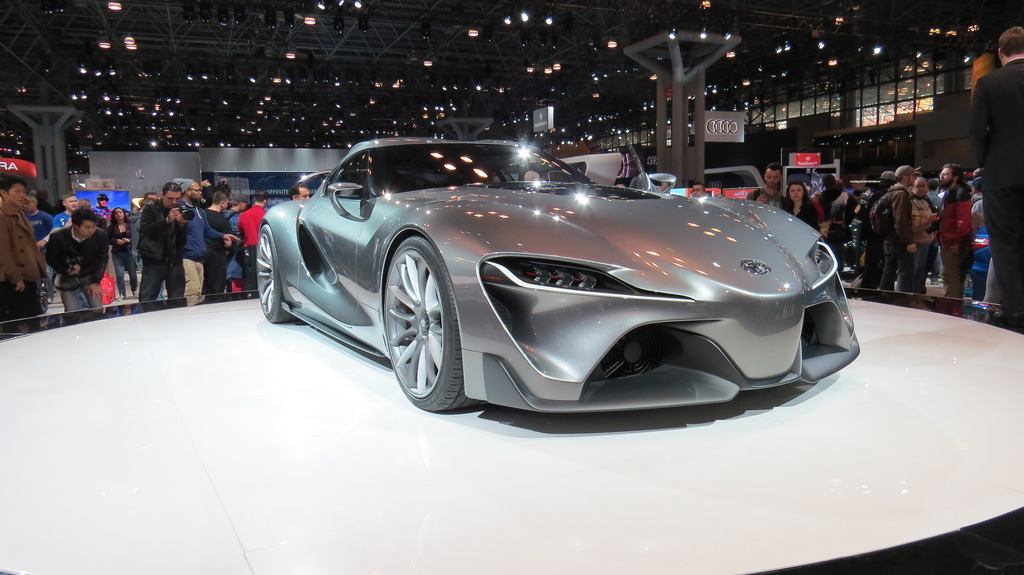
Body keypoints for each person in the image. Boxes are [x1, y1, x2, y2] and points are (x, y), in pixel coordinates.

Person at [969, 26, 1024, 326]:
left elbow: (977, 132)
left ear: (1001, 53)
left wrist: (986, 163)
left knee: (1004, 243)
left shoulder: (988, 82)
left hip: (1002, 175)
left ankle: (1016, 311)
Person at [178, 180, 238, 306]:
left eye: (201, 190)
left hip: (200, 258)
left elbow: (207, 230)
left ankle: (194, 315)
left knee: (199, 293)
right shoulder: (179, 208)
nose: (201, 193)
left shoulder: (199, 210)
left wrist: (223, 235)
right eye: (197, 190)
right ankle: (187, 315)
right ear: (187, 191)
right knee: (192, 291)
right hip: (186, 257)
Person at [0, 174, 47, 321]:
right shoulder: (2, 216)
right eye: (17, 191)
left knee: (30, 320)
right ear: (4, 193)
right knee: (17, 323)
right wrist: (15, 276)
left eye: (24, 192)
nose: (22, 195)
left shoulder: (19, 213)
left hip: (28, 276)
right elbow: (3, 251)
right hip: (12, 280)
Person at [45, 208, 109, 311]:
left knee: (97, 308)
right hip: (67, 278)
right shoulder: (58, 237)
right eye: (87, 227)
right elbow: (51, 258)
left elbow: (103, 259)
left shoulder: (100, 235)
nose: (91, 230)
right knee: (72, 311)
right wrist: (66, 269)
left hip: (90, 276)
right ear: (75, 225)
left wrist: (96, 281)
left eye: (93, 226)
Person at [138, 181, 188, 306]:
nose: (174, 202)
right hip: (154, 260)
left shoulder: (181, 210)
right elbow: (145, 230)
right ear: (162, 195)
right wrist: (167, 220)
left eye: (177, 199)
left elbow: (183, 240)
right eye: (170, 198)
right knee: (147, 299)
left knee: (177, 300)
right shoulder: (151, 208)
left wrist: (182, 225)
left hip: (175, 261)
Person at [937, 163, 974, 299]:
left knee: (951, 276)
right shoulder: (950, 194)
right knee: (948, 275)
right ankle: (951, 303)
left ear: (955, 177)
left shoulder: (960, 194)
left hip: (953, 243)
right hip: (947, 241)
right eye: (941, 174)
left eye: (946, 174)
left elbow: (963, 221)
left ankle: (952, 305)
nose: (942, 177)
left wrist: (957, 241)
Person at [879, 165, 917, 292]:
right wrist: (909, 241)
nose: (915, 178)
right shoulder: (901, 194)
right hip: (899, 242)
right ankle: (902, 300)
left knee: (889, 272)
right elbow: (900, 221)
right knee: (905, 273)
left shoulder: (892, 192)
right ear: (905, 178)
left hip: (890, 239)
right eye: (913, 176)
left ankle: (885, 299)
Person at [859, 171, 897, 289]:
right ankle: (885, 290)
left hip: (874, 235)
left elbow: (868, 215)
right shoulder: (894, 194)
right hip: (889, 235)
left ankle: (868, 288)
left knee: (871, 263)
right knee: (888, 266)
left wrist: (864, 234)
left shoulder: (877, 194)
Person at [910, 177, 939, 294]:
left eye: (924, 186)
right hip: (915, 242)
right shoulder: (910, 202)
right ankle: (910, 296)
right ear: (912, 187)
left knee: (921, 271)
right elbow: (914, 226)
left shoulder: (926, 201)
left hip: (926, 241)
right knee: (914, 271)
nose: (922, 189)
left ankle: (917, 294)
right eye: (918, 186)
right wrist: (928, 220)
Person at [202, 190, 235, 295]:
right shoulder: (222, 219)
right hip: (217, 255)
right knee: (217, 287)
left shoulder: (202, 214)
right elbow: (228, 242)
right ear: (222, 203)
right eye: (227, 203)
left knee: (203, 285)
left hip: (201, 254)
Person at [237, 189, 268, 292]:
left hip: (248, 249)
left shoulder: (244, 215)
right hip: (263, 250)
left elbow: (240, 231)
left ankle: (249, 297)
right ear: (265, 201)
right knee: (264, 278)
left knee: (249, 278)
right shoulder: (266, 215)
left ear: (254, 199)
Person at [107, 207, 138, 300]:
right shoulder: (111, 227)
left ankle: (134, 290)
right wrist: (116, 241)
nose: (119, 214)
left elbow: (136, 237)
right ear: (114, 215)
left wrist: (129, 240)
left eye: (120, 212)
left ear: (124, 213)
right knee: (120, 274)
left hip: (129, 252)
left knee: (133, 274)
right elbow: (107, 239)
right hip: (117, 253)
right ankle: (122, 293)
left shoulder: (131, 225)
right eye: (116, 213)